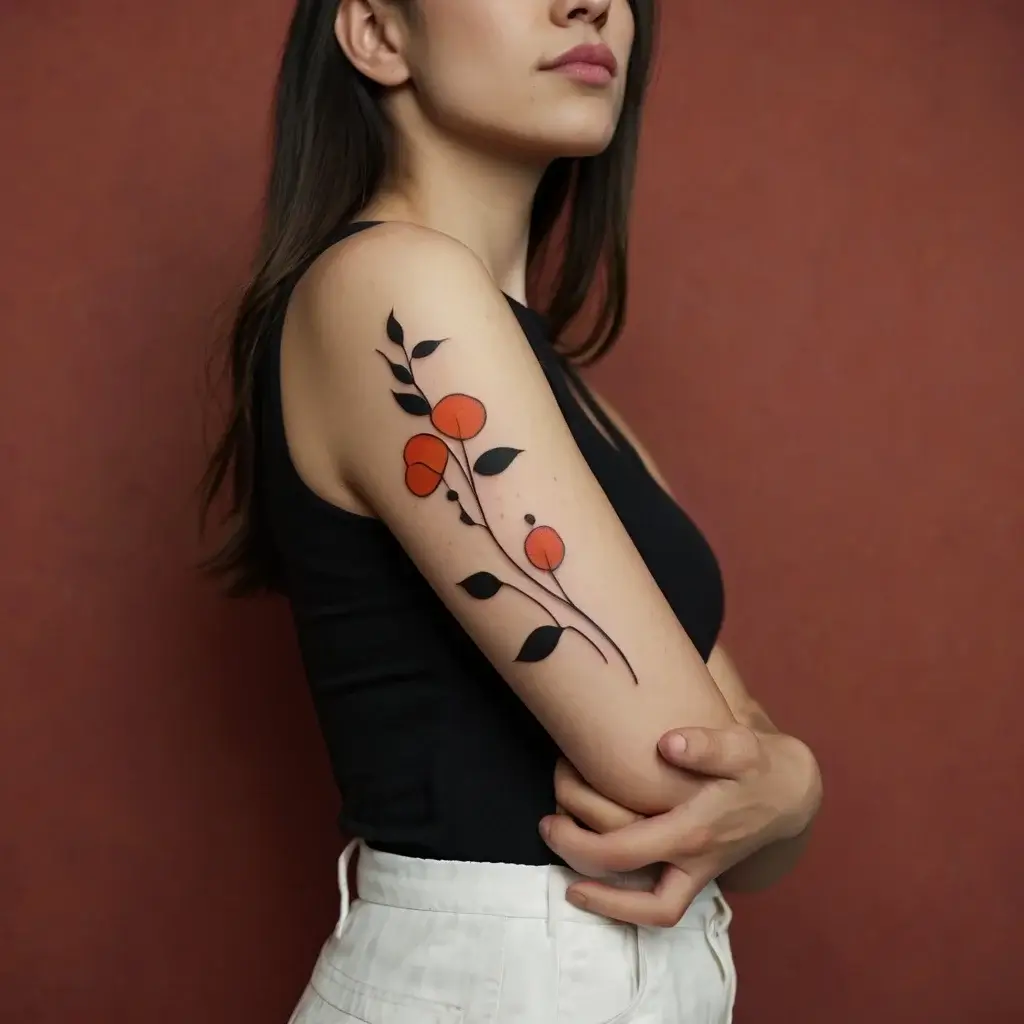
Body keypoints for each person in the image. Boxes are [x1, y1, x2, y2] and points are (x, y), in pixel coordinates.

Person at [200, 0, 823, 1020]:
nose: (591, 5)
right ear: (375, 32)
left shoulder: (568, 391)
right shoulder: (391, 287)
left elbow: (746, 817)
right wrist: (785, 780)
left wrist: (789, 783)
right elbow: (676, 763)